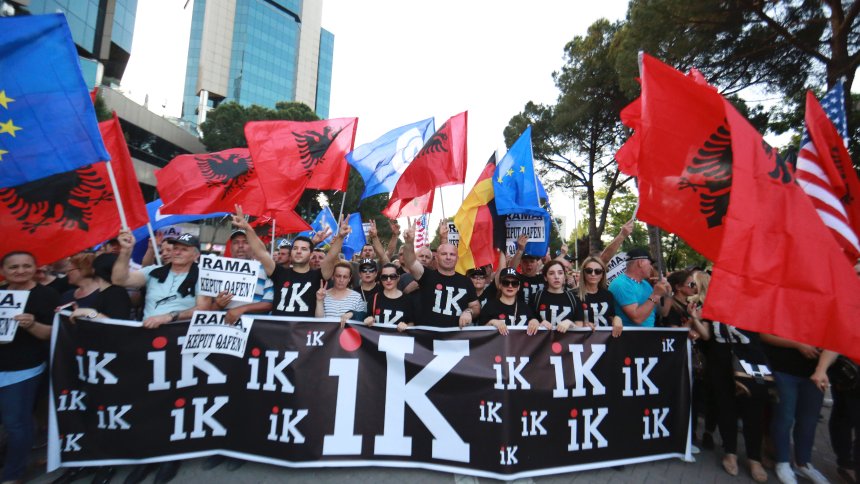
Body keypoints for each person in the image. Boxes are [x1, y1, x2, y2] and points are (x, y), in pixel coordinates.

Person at [110, 232, 207, 483]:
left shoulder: (202, 276)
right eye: (175, 247)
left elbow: (203, 307)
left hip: (180, 343)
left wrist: (169, 317)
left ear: (196, 255)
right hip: (148, 342)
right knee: (148, 400)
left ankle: (171, 457)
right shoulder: (154, 272)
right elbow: (119, 279)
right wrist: (125, 251)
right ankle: (148, 455)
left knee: (176, 400)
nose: (177, 251)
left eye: (184, 248)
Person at [689, 272, 769, 482]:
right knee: (726, 407)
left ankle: (754, 458)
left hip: (750, 361)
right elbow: (707, 335)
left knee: (753, 410)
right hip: (720, 363)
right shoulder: (712, 306)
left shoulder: (755, 304)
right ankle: (730, 452)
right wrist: (695, 318)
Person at [0, 251, 59, 484]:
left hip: (23, 368)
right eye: (14, 267)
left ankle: (12, 474)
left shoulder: (47, 295)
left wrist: (32, 324)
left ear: (35, 268)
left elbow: (52, 332)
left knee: (16, 423)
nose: (21, 271)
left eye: (26, 266)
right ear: (3, 271)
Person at [232, 205, 341, 318]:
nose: (298, 251)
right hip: (277, 328)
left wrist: (341, 236)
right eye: (295, 248)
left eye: (304, 249)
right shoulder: (279, 272)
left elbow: (331, 257)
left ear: (311, 254)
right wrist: (247, 228)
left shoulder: (318, 276)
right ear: (291, 252)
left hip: (303, 329)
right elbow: (261, 252)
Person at [761, 332, 832, 484]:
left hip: (815, 373)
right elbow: (765, 335)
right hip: (783, 369)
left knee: (809, 420)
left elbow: (837, 341)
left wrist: (822, 368)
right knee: (784, 417)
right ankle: (782, 461)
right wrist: (797, 344)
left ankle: (803, 463)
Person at [402, 219, 479, 327]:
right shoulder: (426, 275)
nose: (448, 257)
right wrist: (409, 243)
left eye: (452, 254)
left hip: (455, 336)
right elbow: (410, 262)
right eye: (444, 254)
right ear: (437, 258)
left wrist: (469, 312)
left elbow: (475, 306)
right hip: (428, 336)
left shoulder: (466, 281)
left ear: (457, 258)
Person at [608, 246, 671, 327]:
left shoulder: (645, 284)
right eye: (650, 263)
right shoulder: (621, 284)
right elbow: (637, 318)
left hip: (648, 333)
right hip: (632, 334)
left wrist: (668, 293)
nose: (651, 268)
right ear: (640, 263)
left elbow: (663, 312)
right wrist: (655, 295)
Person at [68, 253, 132, 321]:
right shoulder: (104, 292)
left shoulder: (116, 292)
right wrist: (81, 313)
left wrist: (88, 313)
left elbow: (115, 322)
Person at [479, 267, 541, 335]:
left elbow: (534, 322)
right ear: (500, 285)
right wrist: (491, 322)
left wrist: (535, 321)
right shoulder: (489, 307)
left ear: (518, 287)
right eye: (506, 283)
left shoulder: (525, 308)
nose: (510, 286)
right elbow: (479, 333)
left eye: (514, 283)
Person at [532, 260, 584, 333]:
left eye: (560, 273)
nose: (556, 277)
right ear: (545, 277)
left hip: (566, 339)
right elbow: (530, 321)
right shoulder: (536, 297)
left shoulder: (574, 299)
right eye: (551, 273)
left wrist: (571, 323)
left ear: (564, 276)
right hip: (542, 340)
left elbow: (580, 326)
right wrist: (538, 323)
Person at [577, 256, 623, 337]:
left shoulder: (608, 295)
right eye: (589, 271)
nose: (593, 274)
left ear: (602, 274)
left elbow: (611, 316)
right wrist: (581, 325)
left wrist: (617, 318)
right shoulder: (573, 295)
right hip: (582, 340)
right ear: (583, 273)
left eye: (598, 271)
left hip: (605, 340)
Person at [364, 263, 415, 332]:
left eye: (392, 276)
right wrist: (367, 321)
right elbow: (366, 321)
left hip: (399, 338)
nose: (388, 280)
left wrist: (407, 326)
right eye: (384, 277)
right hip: (377, 338)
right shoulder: (374, 298)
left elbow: (412, 323)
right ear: (381, 279)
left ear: (398, 278)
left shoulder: (408, 300)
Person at [315, 262, 366, 327]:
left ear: (349, 279)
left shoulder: (356, 297)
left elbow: (363, 317)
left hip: (348, 333)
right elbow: (319, 323)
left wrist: (353, 314)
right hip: (327, 332)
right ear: (332, 276)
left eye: (345, 277)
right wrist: (319, 301)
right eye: (338, 276)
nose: (341, 280)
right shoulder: (323, 294)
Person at [508, 234, 544, 304]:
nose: (528, 264)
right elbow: (511, 270)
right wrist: (520, 250)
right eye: (525, 262)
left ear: (537, 263)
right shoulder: (517, 279)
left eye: (532, 261)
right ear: (520, 263)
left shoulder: (544, 278)